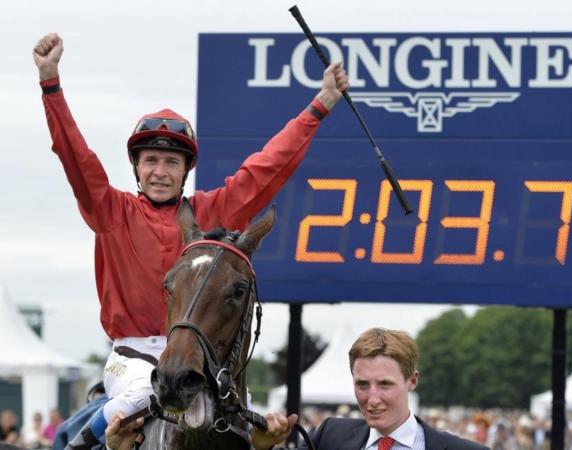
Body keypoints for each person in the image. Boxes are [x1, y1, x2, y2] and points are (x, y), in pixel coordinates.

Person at [33, 32, 348, 450]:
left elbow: (266, 169)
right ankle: (76, 442)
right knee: (140, 394)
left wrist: (320, 104)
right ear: (136, 167)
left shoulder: (213, 211)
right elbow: (76, 157)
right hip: (134, 357)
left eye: (171, 162)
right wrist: (50, 83)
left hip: (203, 355)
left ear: (185, 170)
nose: (160, 171)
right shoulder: (111, 210)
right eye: (151, 161)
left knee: (251, 427)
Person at [249, 328, 489, 450]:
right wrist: (262, 446)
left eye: (385, 384)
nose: (372, 399)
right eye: (362, 384)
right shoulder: (330, 436)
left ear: (412, 381)